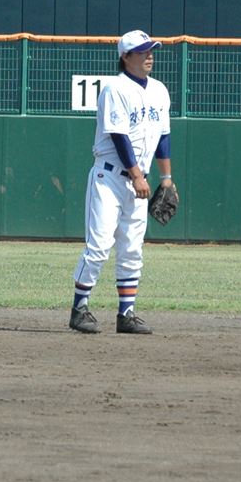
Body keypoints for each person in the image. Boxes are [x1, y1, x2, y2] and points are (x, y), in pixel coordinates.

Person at [69, 30, 174, 334]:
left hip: (140, 183)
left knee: (132, 248)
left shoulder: (159, 90)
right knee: (100, 245)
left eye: (151, 50)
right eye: (143, 51)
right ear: (126, 57)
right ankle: (79, 309)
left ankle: (126, 314)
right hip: (109, 177)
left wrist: (166, 179)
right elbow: (119, 136)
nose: (150, 56)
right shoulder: (115, 88)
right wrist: (138, 176)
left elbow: (163, 137)